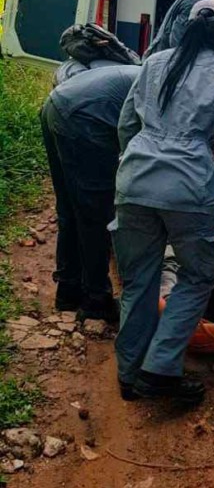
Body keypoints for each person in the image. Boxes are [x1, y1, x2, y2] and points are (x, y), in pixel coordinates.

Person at [114, 0, 214, 404]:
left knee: (139, 278)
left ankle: (128, 374)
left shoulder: (154, 63)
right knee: (199, 275)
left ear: (186, 27)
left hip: (135, 180)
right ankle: (160, 369)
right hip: (189, 189)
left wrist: (130, 165)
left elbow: (126, 124)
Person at [40, 64, 142, 321]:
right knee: (95, 214)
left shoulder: (156, 70)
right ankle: (96, 300)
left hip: (57, 103)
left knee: (69, 208)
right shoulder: (172, 89)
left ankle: (68, 291)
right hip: (83, 117)